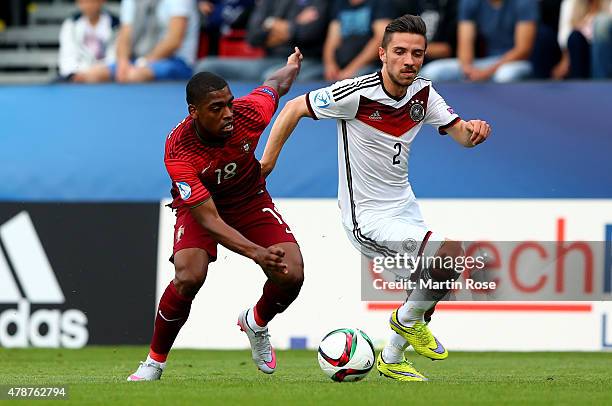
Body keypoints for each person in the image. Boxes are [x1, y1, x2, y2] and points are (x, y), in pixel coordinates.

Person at [260, 15, 491, 381]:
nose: (408, 60)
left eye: (417, 53)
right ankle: (404, 323)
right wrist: (267, 163)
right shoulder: (354, 93)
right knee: (446, 258)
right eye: (399, 52)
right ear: (382, 54)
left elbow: (461, 134)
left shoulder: (424, 94)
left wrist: (475, 130)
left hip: (406, 209)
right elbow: (292, 109)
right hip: (366, 216)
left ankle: (393, 356)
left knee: (435, 278)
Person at [127, 48, 304, 381]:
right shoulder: (179, 150)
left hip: (249, 198)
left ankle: (256, 322)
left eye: (229, 103)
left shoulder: (248, 114)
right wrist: (256, 253)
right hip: (201, 209)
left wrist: (290, 67)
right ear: (194, 112)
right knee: (189, 275)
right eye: (216, 108)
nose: (228, 114)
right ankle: (154, 361)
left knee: (292, 274)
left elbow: (274, 85)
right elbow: (209, 220)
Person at [195, 0, 328, 81]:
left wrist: (274, 27)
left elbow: (309, 34)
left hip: (307, 61)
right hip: (269, 60)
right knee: (206, 66)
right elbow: (252, 36)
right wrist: (290, 25)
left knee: (272, 77)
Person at [78, 0, 199, 83]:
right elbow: (124, 36)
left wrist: (142, 63)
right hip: (138, 61)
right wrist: (122, 62)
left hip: (178, 62)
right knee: (90, 75)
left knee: (133, 76)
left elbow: (174, 41)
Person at [420, 0, 538, 82]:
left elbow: (523, 50)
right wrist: (468, 69)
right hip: (485, 63)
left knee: (505, 76)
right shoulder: (471, 2)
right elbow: (465, 42)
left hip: (513, 63)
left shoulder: (524, 2)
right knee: (432, 72)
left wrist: (486, 72)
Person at [323, 0, 394, 82]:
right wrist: (330, 64)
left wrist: (351, 69)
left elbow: (381, 39)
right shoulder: (339, 4)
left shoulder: (381, 3)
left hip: (370, 66)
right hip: (341, 67)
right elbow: (332, 39)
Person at [58, 0, 119, 82]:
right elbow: (67, 56)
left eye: (92, 1)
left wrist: (98, 73)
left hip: (106, 78)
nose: (88, 5)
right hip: (76, 78)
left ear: (101, 1)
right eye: (84, 1)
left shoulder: (115, 25)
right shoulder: (70, 25)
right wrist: (78, 74)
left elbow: (115, 57)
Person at [553, 0, 612, 79]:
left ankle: (601, 83)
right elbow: (564, 38)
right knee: (575, 38)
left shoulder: (609, 4)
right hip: (580, 51)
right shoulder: (570, 4)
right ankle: (578, 87)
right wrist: (565, 59)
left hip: (605, 52)